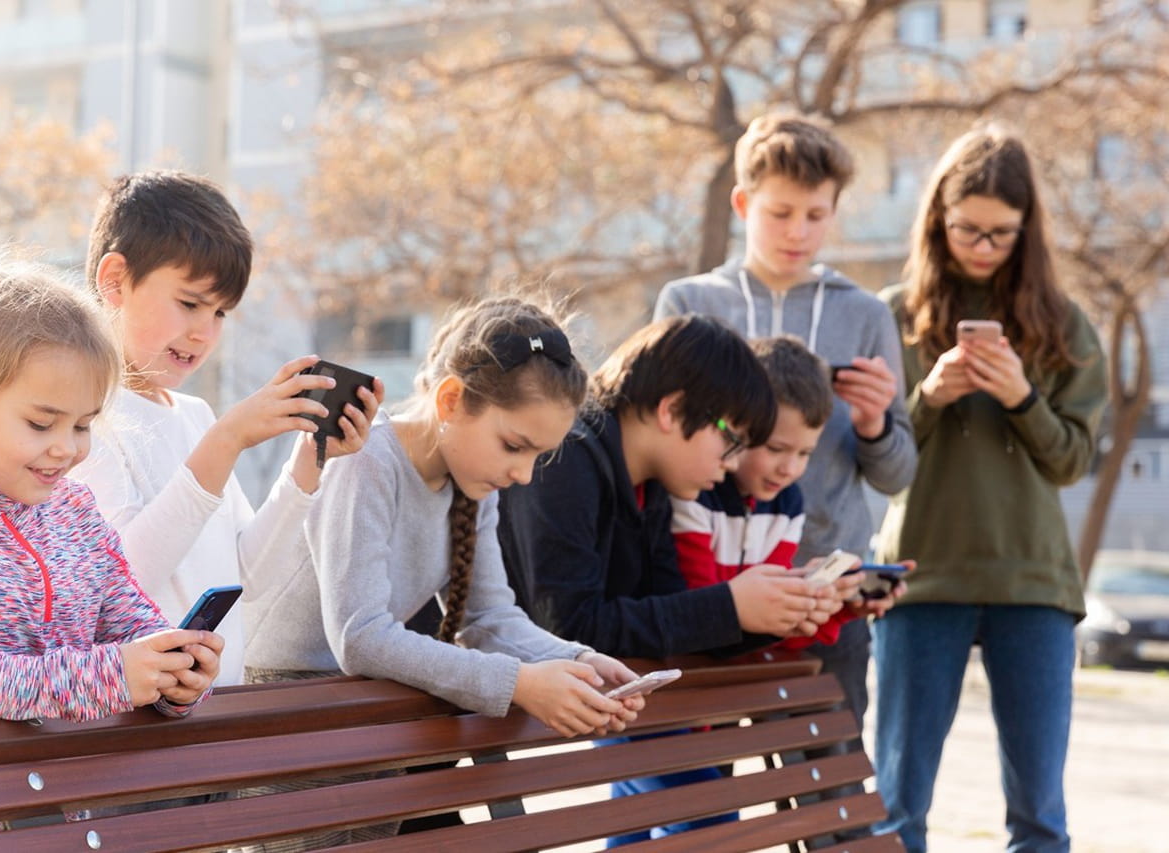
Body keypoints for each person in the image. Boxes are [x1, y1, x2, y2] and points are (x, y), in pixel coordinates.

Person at [242, 295, 645, 851]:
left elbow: (490, 616)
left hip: (365, 725)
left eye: (539, 457)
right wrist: (520, 684)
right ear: (451, 400)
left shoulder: (474, 484)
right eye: (514, 446)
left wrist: (575, 662)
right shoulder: (367, 459)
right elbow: (359, 638)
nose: (523, 474)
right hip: (290, 724)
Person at [0, 259, 222, 852]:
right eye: (42, 424)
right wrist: (107, 676)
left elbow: (130, 622)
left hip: (65, 814)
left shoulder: (75, 512)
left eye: (84, 425)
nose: (66, 449)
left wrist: (175, 671)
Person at [498, 315, 853, 845]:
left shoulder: (656, 482)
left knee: (670, 812)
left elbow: (667, 612)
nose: (732, 464)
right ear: (672, 411)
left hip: (613, 694)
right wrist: (732, 607)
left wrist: (778, 611)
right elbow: (566, 626)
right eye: (730, 440)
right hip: (494, 684)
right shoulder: (565, 459)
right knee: (709, 815)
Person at [653, 115, 918, 800]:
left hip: (820, 599)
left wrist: (874, 422)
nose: (798, 231)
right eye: (780, 213)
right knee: (697, 801)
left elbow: (898, 473)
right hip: (710, 594)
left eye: (815, 214)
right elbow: (655, 442)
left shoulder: (864, 314)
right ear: (743, 205)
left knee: (829, 803)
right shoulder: (689, 303)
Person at [871, 126, 1107, 853]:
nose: (981, 245)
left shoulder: (1063, 325)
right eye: (966, 227)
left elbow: (1072, 461)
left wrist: (1021, 396)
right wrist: (929, 395)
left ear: (1027, 228)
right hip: (919, 579)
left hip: (1033, 583)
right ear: (937, 217)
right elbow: (874, 455)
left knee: (1039, 813)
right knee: (898, 807)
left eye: (1001, 233)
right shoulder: (893, 314)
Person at [72, 170, 381, 686]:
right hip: (131, 726)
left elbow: (249, 577)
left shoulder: (195, 416)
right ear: (114, 281)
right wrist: (227, 440)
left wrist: (309, 461)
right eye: (190, 303)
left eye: (220, 313)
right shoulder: (80, 421)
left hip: (211, 717)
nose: (203, 332)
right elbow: (123, 583)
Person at [671, 335, 906, 654]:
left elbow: (772, 628)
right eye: (776, 449)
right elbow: (705, 619)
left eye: (805, 453)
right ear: (738, 427)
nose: (790, 469)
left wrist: (839, 607)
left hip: (739, 676)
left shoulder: (787, 504)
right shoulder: (694, 494)